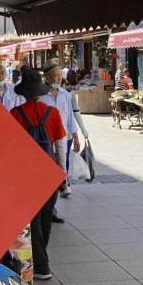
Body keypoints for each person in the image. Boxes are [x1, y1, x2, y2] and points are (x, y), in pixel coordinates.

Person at [11, 67, 68, 281]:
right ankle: (41, 263)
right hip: (49, 172)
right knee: (45, 218)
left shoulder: (15, 114)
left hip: (25, 174)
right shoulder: (52, 113)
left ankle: (37, 265)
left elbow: (12, 149)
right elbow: (61, 146)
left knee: (30, 220)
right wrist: (62, 174)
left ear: (24, 92)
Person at [40, 61, 82, 199]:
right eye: (55, 76)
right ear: (47, 78)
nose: (59, 79)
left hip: (62, 137)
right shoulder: (40, 96)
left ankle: (64, 186)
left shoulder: (65, 94)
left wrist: (75, 136)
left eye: (60, 75)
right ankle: (51, 195)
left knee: (62, 165)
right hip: (45, 139)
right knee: (47, 168)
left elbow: (70, 117)